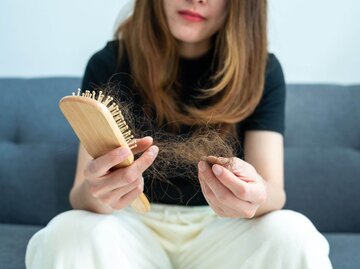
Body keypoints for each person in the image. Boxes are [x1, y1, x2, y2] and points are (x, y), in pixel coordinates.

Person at [25, 0, 332, 268]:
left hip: (223, 231)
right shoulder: (108, 63)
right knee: (64, 234)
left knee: (294, 233)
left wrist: (255, 194)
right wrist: (101, 190)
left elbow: (275, 192)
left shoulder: (262, 70)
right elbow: (80, 193)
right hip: (129, 229)